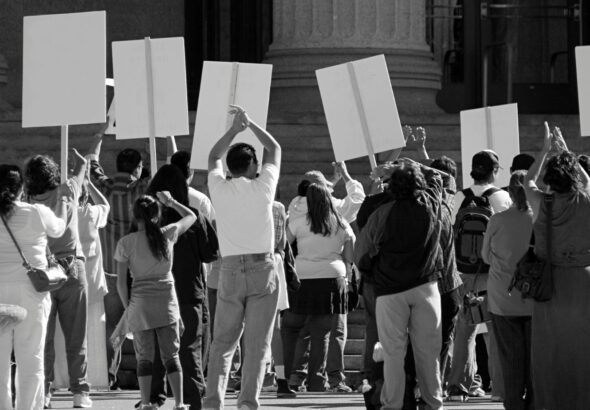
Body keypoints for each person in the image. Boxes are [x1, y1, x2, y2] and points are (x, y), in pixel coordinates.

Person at [203, 105, 281, 410]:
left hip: (231, 268)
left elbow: (212, 158)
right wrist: (251, 125)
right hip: (262, 267)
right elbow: (274, 147)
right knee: (257, 344)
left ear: (231, 167)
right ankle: (247, 402)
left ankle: (213, 402)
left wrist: (235, 129)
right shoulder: (264, 187)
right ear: (253, 166)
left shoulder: (218, 187)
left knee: (223, 343)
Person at [354, 158, 446, 410]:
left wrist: (375, 269)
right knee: (428, 352)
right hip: (426, 285)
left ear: (391, 186)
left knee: (393, 353)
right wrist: (413, 164)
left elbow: (361, 254)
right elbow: (440, 178)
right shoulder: (431, 203)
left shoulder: (382, 213)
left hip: (389, 289)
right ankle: (432, 402)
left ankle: (392, 403)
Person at [523, 123, 590, 409]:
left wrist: (545, 148)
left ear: (551, 179)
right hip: (582, 281)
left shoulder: (542, 202)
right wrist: (568, 153)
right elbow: (587, 182)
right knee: (582, 349)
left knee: (549, 350)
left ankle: (550, 403)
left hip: (549, 282)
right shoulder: (586, 200)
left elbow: (527, 181)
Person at [143, 164, 219, 410]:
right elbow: (210, 254)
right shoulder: (194, 217)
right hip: (189, 289)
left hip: (154, 291)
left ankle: (153, 397)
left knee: (155, 347)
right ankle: (193, 399)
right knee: (189, 348)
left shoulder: (147, 220)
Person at [287, 161, 365, 392]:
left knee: (304, 331)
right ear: (327, 194)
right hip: (334, 277)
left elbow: (283, 246)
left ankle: (296, 376)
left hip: (303, 276)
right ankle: (334, 378)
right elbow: (350, 252)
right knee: (335, 331)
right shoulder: (339, 218)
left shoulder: (295, 213)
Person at [115, 192, 196, 410]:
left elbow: (121, 284)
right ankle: (179, 403)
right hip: (166, 300)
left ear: (135, 216)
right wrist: (172, 202)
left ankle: (146, 402)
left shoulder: (125, 243)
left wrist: (127, 307)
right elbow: (191, 216)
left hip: (140, 303)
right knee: (171, 354)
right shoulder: (168, 233)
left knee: (144, 357)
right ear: (157, 215)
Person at [25, 151, 92, 409]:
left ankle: (45, 391)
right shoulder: (67, 191)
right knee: (77, 336)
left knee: (45, 337)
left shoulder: (27, 201)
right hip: (72, 267)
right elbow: (82, 169)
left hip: (42, 271)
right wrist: (79, 162)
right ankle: (80, 392)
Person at [87, 127, 150, 387]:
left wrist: (100, 132)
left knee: (112, 328)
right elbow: (166, 166)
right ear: (137, 168)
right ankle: (150, 378)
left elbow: (91, 160)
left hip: (111, 270)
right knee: (146, 327)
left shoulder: (103, 187)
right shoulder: (141, 191)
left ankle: (109, 376)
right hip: (138, 271)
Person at [447, 150, 511, 402]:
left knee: (465, 329)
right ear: (494, 171)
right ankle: (499, 387)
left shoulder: (459, 197)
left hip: (462, 272)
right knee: (496, 330)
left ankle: (457, 387)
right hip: (492, 273)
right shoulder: (503, 198)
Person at [0, 164, 66, 410]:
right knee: (31, 358)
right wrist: (66, 204)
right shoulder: (37, 212)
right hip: (30, 293)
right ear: (21, 189)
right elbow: (59, 229)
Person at [482, 170, 534, 410]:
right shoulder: (538, 218)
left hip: (502, 295)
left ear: (510, 193)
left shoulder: (497, 220)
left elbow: (485, 256)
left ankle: (513, 403)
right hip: (534, 295)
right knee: (533, 354)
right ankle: (534, 401)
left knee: (509, 355)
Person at [77, 171, 111, 388]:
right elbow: (105, 204)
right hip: (91, 283)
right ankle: (94, 378)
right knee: (93, 334)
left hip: (67, 283)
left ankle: (63, 377)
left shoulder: (60, 213)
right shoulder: (90, 213)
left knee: (65, 334)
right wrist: (88, 184)